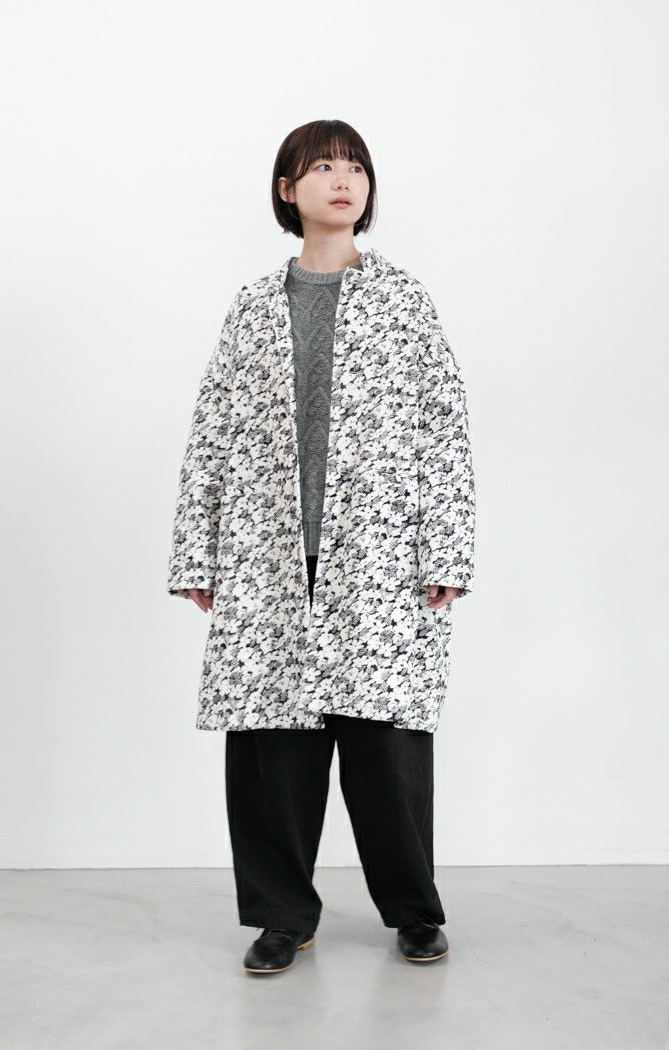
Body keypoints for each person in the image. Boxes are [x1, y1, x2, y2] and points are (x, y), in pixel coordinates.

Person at [166, 119, 476, 975]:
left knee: (386, 747)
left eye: (356, 168)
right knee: (273, 749)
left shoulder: (404, 300)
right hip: (267, 555)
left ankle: (413, 911)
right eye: (324, 167)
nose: (343, 181)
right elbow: (212, 429)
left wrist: (447, 549)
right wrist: (197, 552)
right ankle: (280, 916)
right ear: (287, 189)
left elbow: (444, 427)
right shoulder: (252, 306)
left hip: (377, 557)